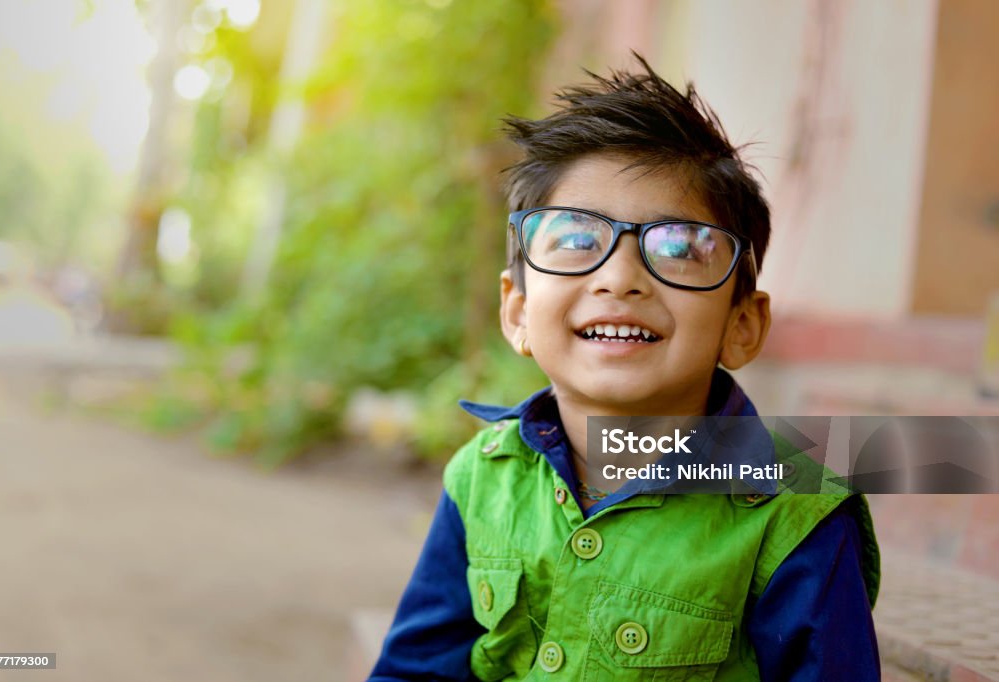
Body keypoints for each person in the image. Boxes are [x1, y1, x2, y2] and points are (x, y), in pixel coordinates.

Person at [370, 56, 880, 681]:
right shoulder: (481, 480)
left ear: (741, 325)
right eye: (578, 240)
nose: (620, 278)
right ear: (519, 311)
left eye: (679, 247)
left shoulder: (797, 517)